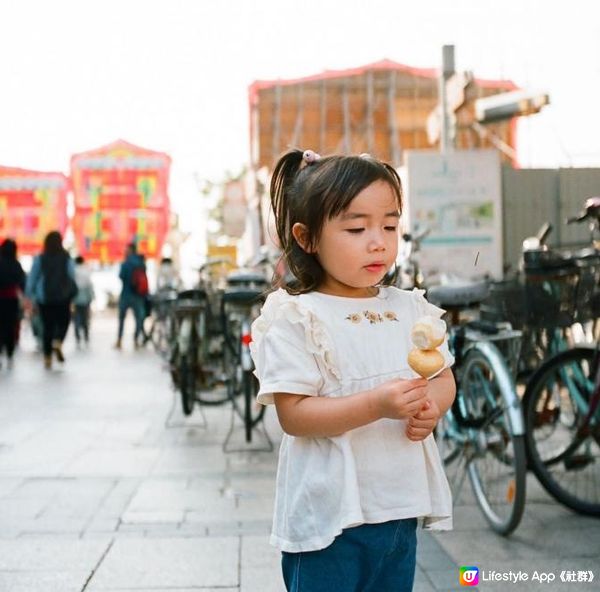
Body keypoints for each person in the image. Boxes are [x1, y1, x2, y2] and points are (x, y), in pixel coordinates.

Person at [249, 149, 457, 592]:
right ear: (307, 238)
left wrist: (431, 406)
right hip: (328, 520)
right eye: (357, 228)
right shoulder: (296, 316)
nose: (378, 241)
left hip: (398, 508)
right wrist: (375, 404)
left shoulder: (409, 308)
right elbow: (295, 415)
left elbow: (442, 377)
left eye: (389, 224)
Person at [25, 231, 77, 369]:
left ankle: (47, 358)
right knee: (64, 322)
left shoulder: (40, 258)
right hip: (63, 297)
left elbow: (32, 278)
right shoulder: (66, 258)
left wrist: (29, 296)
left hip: (45, 298)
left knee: (47, 327)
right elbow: (72, 275)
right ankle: (58, 341)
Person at [0, 239, 26, 369]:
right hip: (11, 299)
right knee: (10, 326)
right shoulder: (15, 264)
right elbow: (22, 282)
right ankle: (10, 353)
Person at [115, 242, 146, 349]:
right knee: (138, 319)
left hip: (126, 293)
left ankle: (119, 340)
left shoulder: (126, 263)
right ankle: (136, 339)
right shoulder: (141, 263)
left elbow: (121, 276)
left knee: (121, 318)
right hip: (138, 295)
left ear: (130, 250)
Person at [73, 255, 94, 346]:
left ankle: (77, 336)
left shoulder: (73, 272)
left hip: (75, 299)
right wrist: (91, 297)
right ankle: (86, 335)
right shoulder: (86, 272)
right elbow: (90, 286)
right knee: (85, 318)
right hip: (85, 299)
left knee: (76, 318)